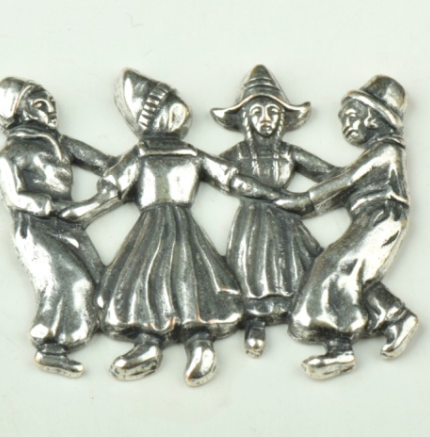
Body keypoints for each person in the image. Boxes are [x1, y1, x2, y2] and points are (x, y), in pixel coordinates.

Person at [61, 69, 281, 386]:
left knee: (188, 280)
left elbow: (232, 179)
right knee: (150, 280)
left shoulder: (189, 152)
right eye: (170, 105)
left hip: (176, 226)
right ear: (153, 116)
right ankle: (150, 344)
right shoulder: (141, 154)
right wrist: (83, 212)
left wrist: (273, 194)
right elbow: (112, 193)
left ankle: (199, 344)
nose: (180, 112)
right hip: (158, 226)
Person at [276, 75, 420, 380]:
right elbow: (341, 176)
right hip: (373, 217)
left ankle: (341, 349)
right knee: (356, 273)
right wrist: (300, 162)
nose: (346, 124)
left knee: (336, 266)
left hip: (382, 217)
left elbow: (347, 180)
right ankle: (396, 318)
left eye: (352, 115)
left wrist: (302, 201)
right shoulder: (377, 152)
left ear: (374, 117)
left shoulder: (387, 149)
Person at [0, 77, 116, 377]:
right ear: (17, 111)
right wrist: (54, 207)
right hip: (36, 227)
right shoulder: (12, 153)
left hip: (69, 226)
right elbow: (15, 197)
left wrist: (134, 165)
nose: (50, 108)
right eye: (39, 103)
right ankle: (50, 347)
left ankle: (95, 328)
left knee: (99, 279)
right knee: (71, 281)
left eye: (50, 101)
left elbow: (105, 163)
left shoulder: (61, 143)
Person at [211, 65, 340, 357]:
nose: (265, 119)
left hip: (287, 216)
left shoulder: (288, 152)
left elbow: (328, 173)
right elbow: (210, 171)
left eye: (272, 111)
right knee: (250, 266)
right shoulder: (238, 153)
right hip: (252, 220)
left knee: (298, 265)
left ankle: (304, 314)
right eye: (257, 112)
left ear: (282, 117)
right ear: (245, 118)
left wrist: (358, 175)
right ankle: (254, 322)